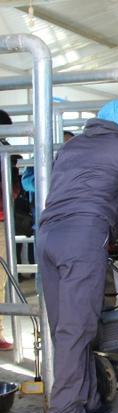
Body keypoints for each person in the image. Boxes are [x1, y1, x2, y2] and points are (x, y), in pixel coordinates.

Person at [37, 99, 118, 413]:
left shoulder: (72, 147)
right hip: (82, 240)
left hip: (48, 238)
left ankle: (89, 397)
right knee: (76, 330)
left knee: (66, 327)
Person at [0, 109, 20, 351]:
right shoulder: (8, 151)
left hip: (2, 219)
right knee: (1, 279)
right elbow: (15, 190)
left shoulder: (9, 151)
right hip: (2, 220)